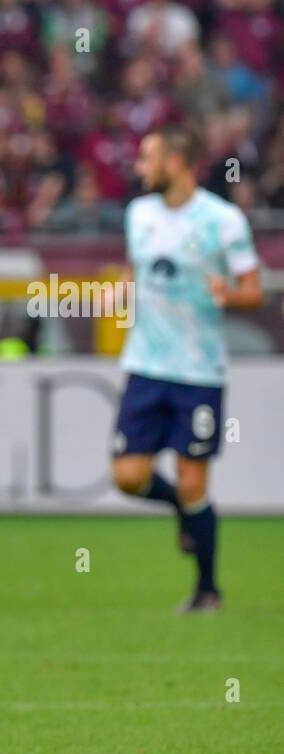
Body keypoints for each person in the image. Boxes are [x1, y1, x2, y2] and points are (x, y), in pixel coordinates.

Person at [111, 126, 263, 613]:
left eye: (147, 157)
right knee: (128, 476)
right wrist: (122, 290)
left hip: (198, 371)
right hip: (146, 365)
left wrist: (230, 294)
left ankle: (207, 590)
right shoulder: (139, 215)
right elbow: (135, 270)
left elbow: (253, 290)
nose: (139, 167)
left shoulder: (223, 221)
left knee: (195, 479)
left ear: (175, 162)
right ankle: (181, 508)